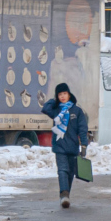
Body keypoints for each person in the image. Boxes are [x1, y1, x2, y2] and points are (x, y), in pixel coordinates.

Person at [41, 81, 89, 209]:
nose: (62, 96)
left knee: (70, 173)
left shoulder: (77, 111)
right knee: (62, 170)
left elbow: (82, 129)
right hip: (60, 146)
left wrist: (84, 145)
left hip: (73, 147)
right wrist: (53, 100)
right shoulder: (56, 110)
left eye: (64, 93)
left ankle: (66, 194)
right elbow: (45, 108)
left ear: (69, 94)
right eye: (59, 94)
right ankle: (64, 195)